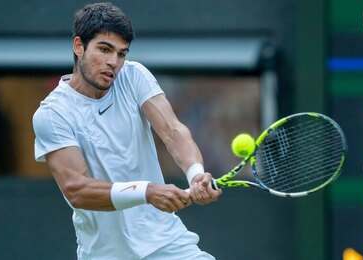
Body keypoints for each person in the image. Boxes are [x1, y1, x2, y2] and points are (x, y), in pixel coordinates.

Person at [32, 2, 222, 259]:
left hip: (166, 243)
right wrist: (147, 192)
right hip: (104, 254)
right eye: (104, 49)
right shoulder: (52, 114)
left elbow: (173, 131)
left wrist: (196, 174)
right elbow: (77, 189)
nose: (113, 62)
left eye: (121, 54)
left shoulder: (134, 76)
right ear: (79, 46)